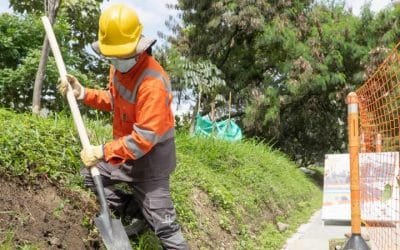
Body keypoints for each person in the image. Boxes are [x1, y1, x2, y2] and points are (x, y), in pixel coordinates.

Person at [57, 4, 189, 249]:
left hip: (150, 163)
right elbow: (116, 101)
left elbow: (144, 139)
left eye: (121, 55)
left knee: (166, 227)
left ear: (139, 48)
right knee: (88, 178)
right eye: (112, 56)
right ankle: (136, 209)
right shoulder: (119, 67)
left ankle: (153, 213)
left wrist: (102, 151)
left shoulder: (153, 82)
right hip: (125, 155)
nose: (116, 61)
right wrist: (82, 92)